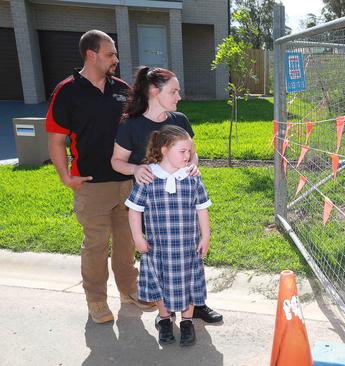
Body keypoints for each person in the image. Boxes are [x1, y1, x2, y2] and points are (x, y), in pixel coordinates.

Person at [46, 29, 155, 324]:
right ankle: (95, 300)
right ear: (91, 55)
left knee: (126, 242)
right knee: (95, 244)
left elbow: (141, 125)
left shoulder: (121, 88)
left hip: (127, 181)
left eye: (116, 54)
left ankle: (129, 291)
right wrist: (66, 177)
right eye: (110, 54)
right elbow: (56, 139)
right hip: (92, 185)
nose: (116, 59)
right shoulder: (66, 91)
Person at [111, 66, 223, 324]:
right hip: (155, 207)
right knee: (160, 258)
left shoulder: (180, 120)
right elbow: (116, 161)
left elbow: (192, 152)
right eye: (173, 91)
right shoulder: (131, 125)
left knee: (191, 251)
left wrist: (194, 163)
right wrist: (136, 168)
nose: (178, 96)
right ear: (153, 91)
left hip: (184, 201)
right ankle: (165, 311)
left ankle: (197, 304)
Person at [125, 125, 212, 346]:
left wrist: (206, 236)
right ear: (164, 150)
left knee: (189, 283)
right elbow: (135, 209)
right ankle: (164, 319)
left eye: (189, 152)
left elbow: (202, 208)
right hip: (158, 247)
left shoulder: (192, 177)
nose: (188, 156)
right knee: (160, 283)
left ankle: (186, 321)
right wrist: (137, 237)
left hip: (187, 247)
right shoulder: (148, 177)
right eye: (182, 151)